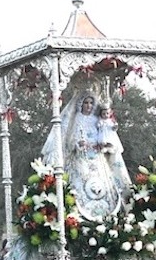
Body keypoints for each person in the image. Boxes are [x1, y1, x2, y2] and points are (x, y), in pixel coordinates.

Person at [41, 92, 131, 222]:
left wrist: (103, 143)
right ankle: (78, 217)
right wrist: (79, 144)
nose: (89, 106)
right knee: (80, 186)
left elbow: (106, 134)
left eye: (91, 103)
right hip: (80, 158)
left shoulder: (97, 120)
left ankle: (106, 216)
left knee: (104, 186)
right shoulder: (76, 119)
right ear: (81, 104)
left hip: (98, 158)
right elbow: (70, 140)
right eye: (86, 103)